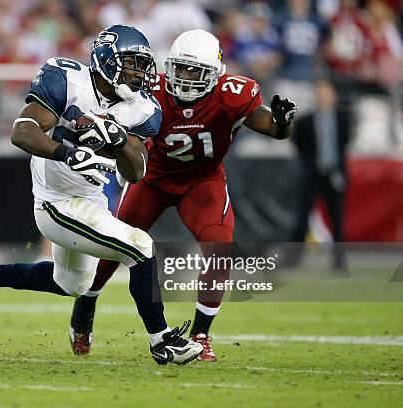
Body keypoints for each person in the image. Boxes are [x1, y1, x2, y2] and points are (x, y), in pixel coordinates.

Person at [0, 25, 203, 366]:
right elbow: (21, 131)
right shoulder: (67, 79)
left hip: (91, 198)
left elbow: (137, 171)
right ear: (106, 59)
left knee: (71, 282)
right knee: (141, 247)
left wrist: (117, 139)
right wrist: (67, 154)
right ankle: (162, 341)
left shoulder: (143, 108)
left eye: (143, 65)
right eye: (131, 63)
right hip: (56, 199)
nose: (140, 73)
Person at [69, 29, 298, 361]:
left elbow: (274, 130)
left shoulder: (234, 93)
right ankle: (86, 301)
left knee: (220, 249)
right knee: (114, 247)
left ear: (215, 75)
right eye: (181, 68)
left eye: (196, 71)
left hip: (202, 181)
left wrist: (282, 122)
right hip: (153, 178)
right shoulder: (151, 89)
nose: (187, 77)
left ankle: (201, 334)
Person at [291, 79, 349, 269]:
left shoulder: (342, 118)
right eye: (320, 92)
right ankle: (295, 256)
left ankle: (339, 259)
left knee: (336, 217)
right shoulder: (305, 121)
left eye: (327, 92)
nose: (324, 96)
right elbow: (298, 143)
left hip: (334, 174)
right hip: (312, 174)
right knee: (303, 216)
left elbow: (344, 143)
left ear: (334, 95)